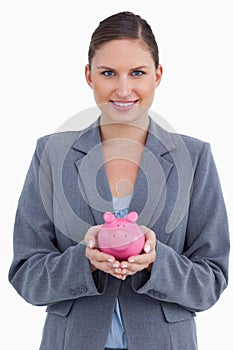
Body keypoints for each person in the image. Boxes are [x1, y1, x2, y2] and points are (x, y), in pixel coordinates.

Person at [8, 11, 230, 350]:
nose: (123, 89)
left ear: (157, 75)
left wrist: (157, 260)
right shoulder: (53, 154)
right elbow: (27, 275)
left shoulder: (194, 157)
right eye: (108, 73)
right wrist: (84, 260)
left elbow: (211, 282)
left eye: (137, 73)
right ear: (89, 76)